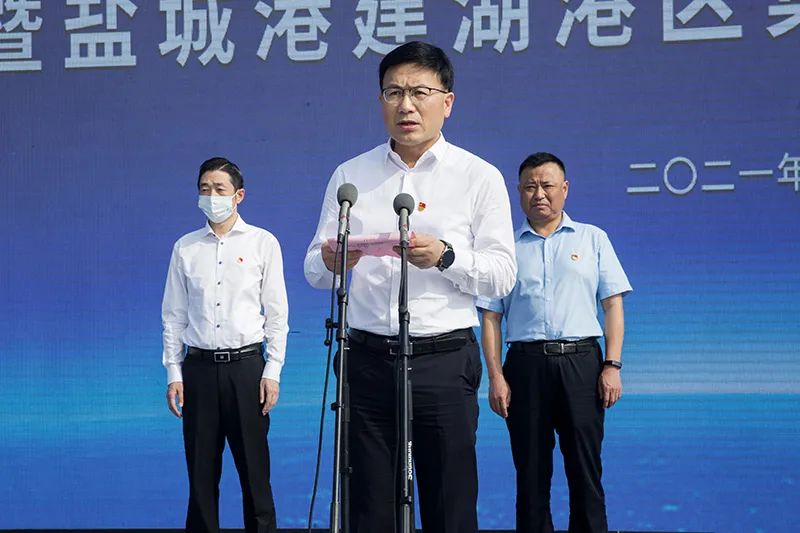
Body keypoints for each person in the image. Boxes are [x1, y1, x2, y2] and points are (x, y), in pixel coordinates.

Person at [304, 41, 516, 533]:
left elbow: (503, 273)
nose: (406, 105)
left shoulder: (478, 176)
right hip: (366, 362)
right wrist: (333, 260)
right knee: (369, 508)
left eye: (420, 92)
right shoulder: (351, 176)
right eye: (393, 92)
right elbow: (314, 269)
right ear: (380, 100)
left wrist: (446, 256)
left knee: (449, 506)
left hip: (443, 361)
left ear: (448, 101)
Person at [477, 152, 632, 533]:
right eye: (530, 187)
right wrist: (495, 377)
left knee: (585, 470)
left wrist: (612, 365)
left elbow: (612, 305)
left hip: (582, 363)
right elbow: (491, 317)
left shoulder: (593, 238)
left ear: (565, 189)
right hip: (525, 366)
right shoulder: (505, 248)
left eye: (547, 186)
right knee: (530, 474)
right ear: (518, 192)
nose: (539, 194)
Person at [162, 157, 289, 533]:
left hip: (246, 369)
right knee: (201, 475)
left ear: (239, 195)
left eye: (219, 189)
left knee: (255, 473)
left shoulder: (262, 242)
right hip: (198, 369)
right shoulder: (185, 248)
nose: (211, 196)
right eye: (205, 189)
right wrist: (173, 372)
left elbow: (277, 313)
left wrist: (273, 370)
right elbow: (174, 315)